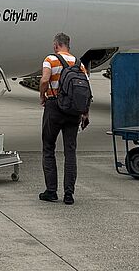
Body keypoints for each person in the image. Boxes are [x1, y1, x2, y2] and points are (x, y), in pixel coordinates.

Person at [38, 32, 90, 205]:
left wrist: (43, 96)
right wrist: (85, 113)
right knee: (70, 152)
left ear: (55, 45)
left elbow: (44, 79)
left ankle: (51, 191)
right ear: (68, 45)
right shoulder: (78, 63)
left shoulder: (50, 59)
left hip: (54, 107)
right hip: (74, 111)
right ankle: (69, 194)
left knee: (48, 148)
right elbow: (85, 91)